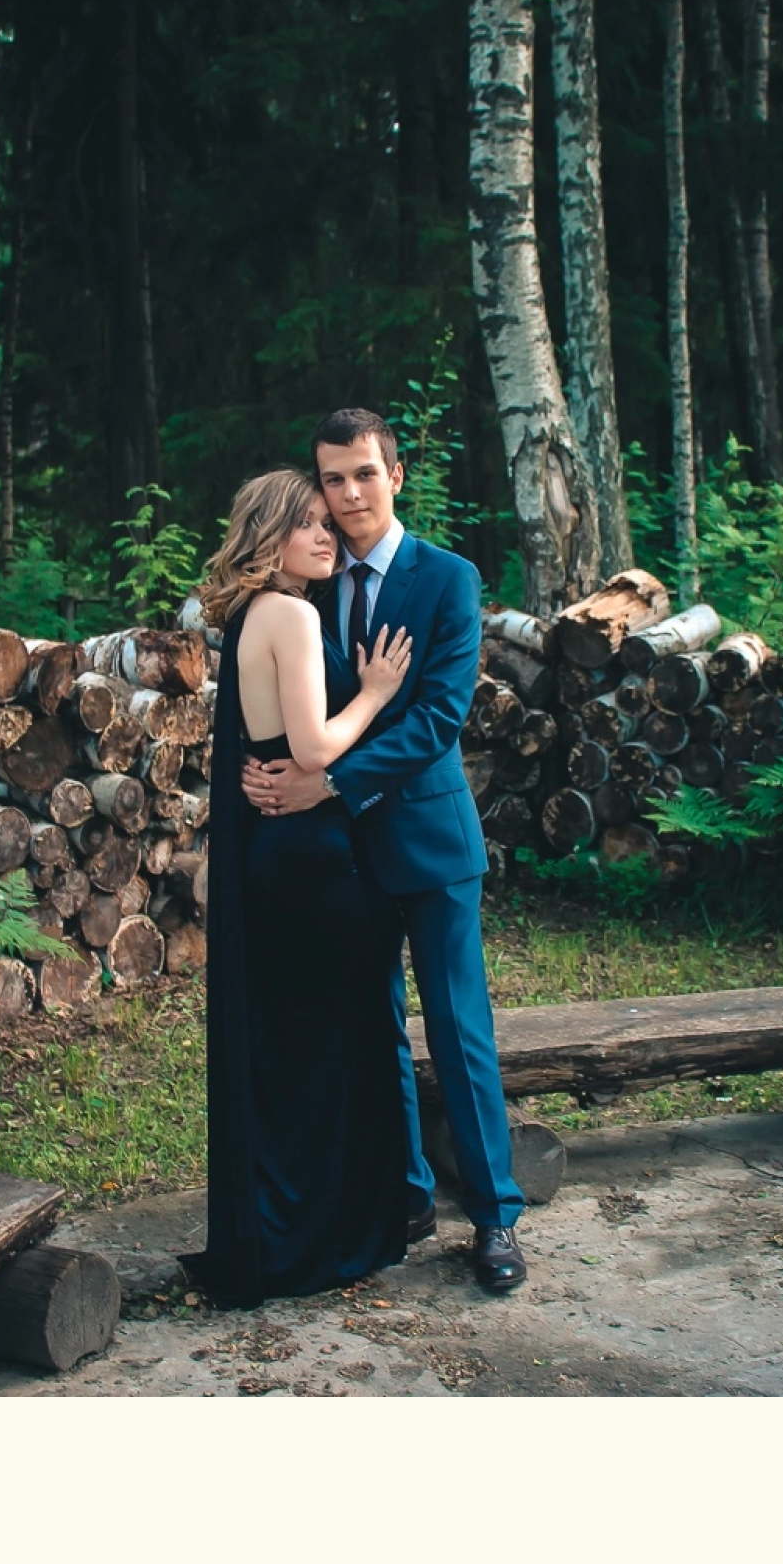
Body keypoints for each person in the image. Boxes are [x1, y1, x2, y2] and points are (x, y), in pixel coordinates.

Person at [241, 408, 527, 1292]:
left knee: (457, 1028)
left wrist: (329, 781)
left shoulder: (448, 578)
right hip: (339, 856)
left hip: (429, 841)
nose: (349, 493)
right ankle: (401, 1194)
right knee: (370, 1029)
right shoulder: (311, 581)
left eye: (365, 473)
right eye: (333, 479)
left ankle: (495, 1216)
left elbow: (440, 717)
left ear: (395, 475)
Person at [183, 468, 414, 1310]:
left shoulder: (252, 615)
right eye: (309, 523)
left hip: (276, 854)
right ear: (269, 535)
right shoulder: (290, 613)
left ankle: (290, 1229)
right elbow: (313, 750)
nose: (328, 536)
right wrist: (376, 694)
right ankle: (329, 1234)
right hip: (313, 857)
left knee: (292, 1048)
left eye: (328, 523)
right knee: (336, 1043)